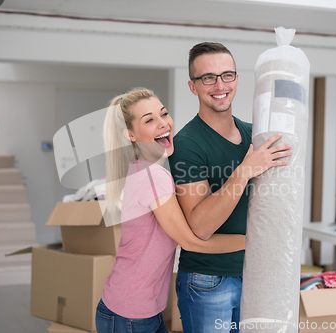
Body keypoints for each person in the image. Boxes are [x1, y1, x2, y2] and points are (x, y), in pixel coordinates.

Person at [95, 88, 247, 333]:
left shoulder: (143, 169)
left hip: (136, 309)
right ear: (130, 134)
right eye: (149, 120)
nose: (163, 123)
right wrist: (252, 242)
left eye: (163, 114)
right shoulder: (153, 176)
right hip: (129, 314)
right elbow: (191, 241)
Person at [168, 42, 292, 332]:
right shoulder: (187, 144)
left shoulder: (254, 135)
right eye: (208, 77)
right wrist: (245, 170)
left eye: (227, 75)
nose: (219, 85)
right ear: (193, 86)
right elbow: (200, 226)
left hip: (255, 272)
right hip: (209, 280)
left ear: (237, 79)